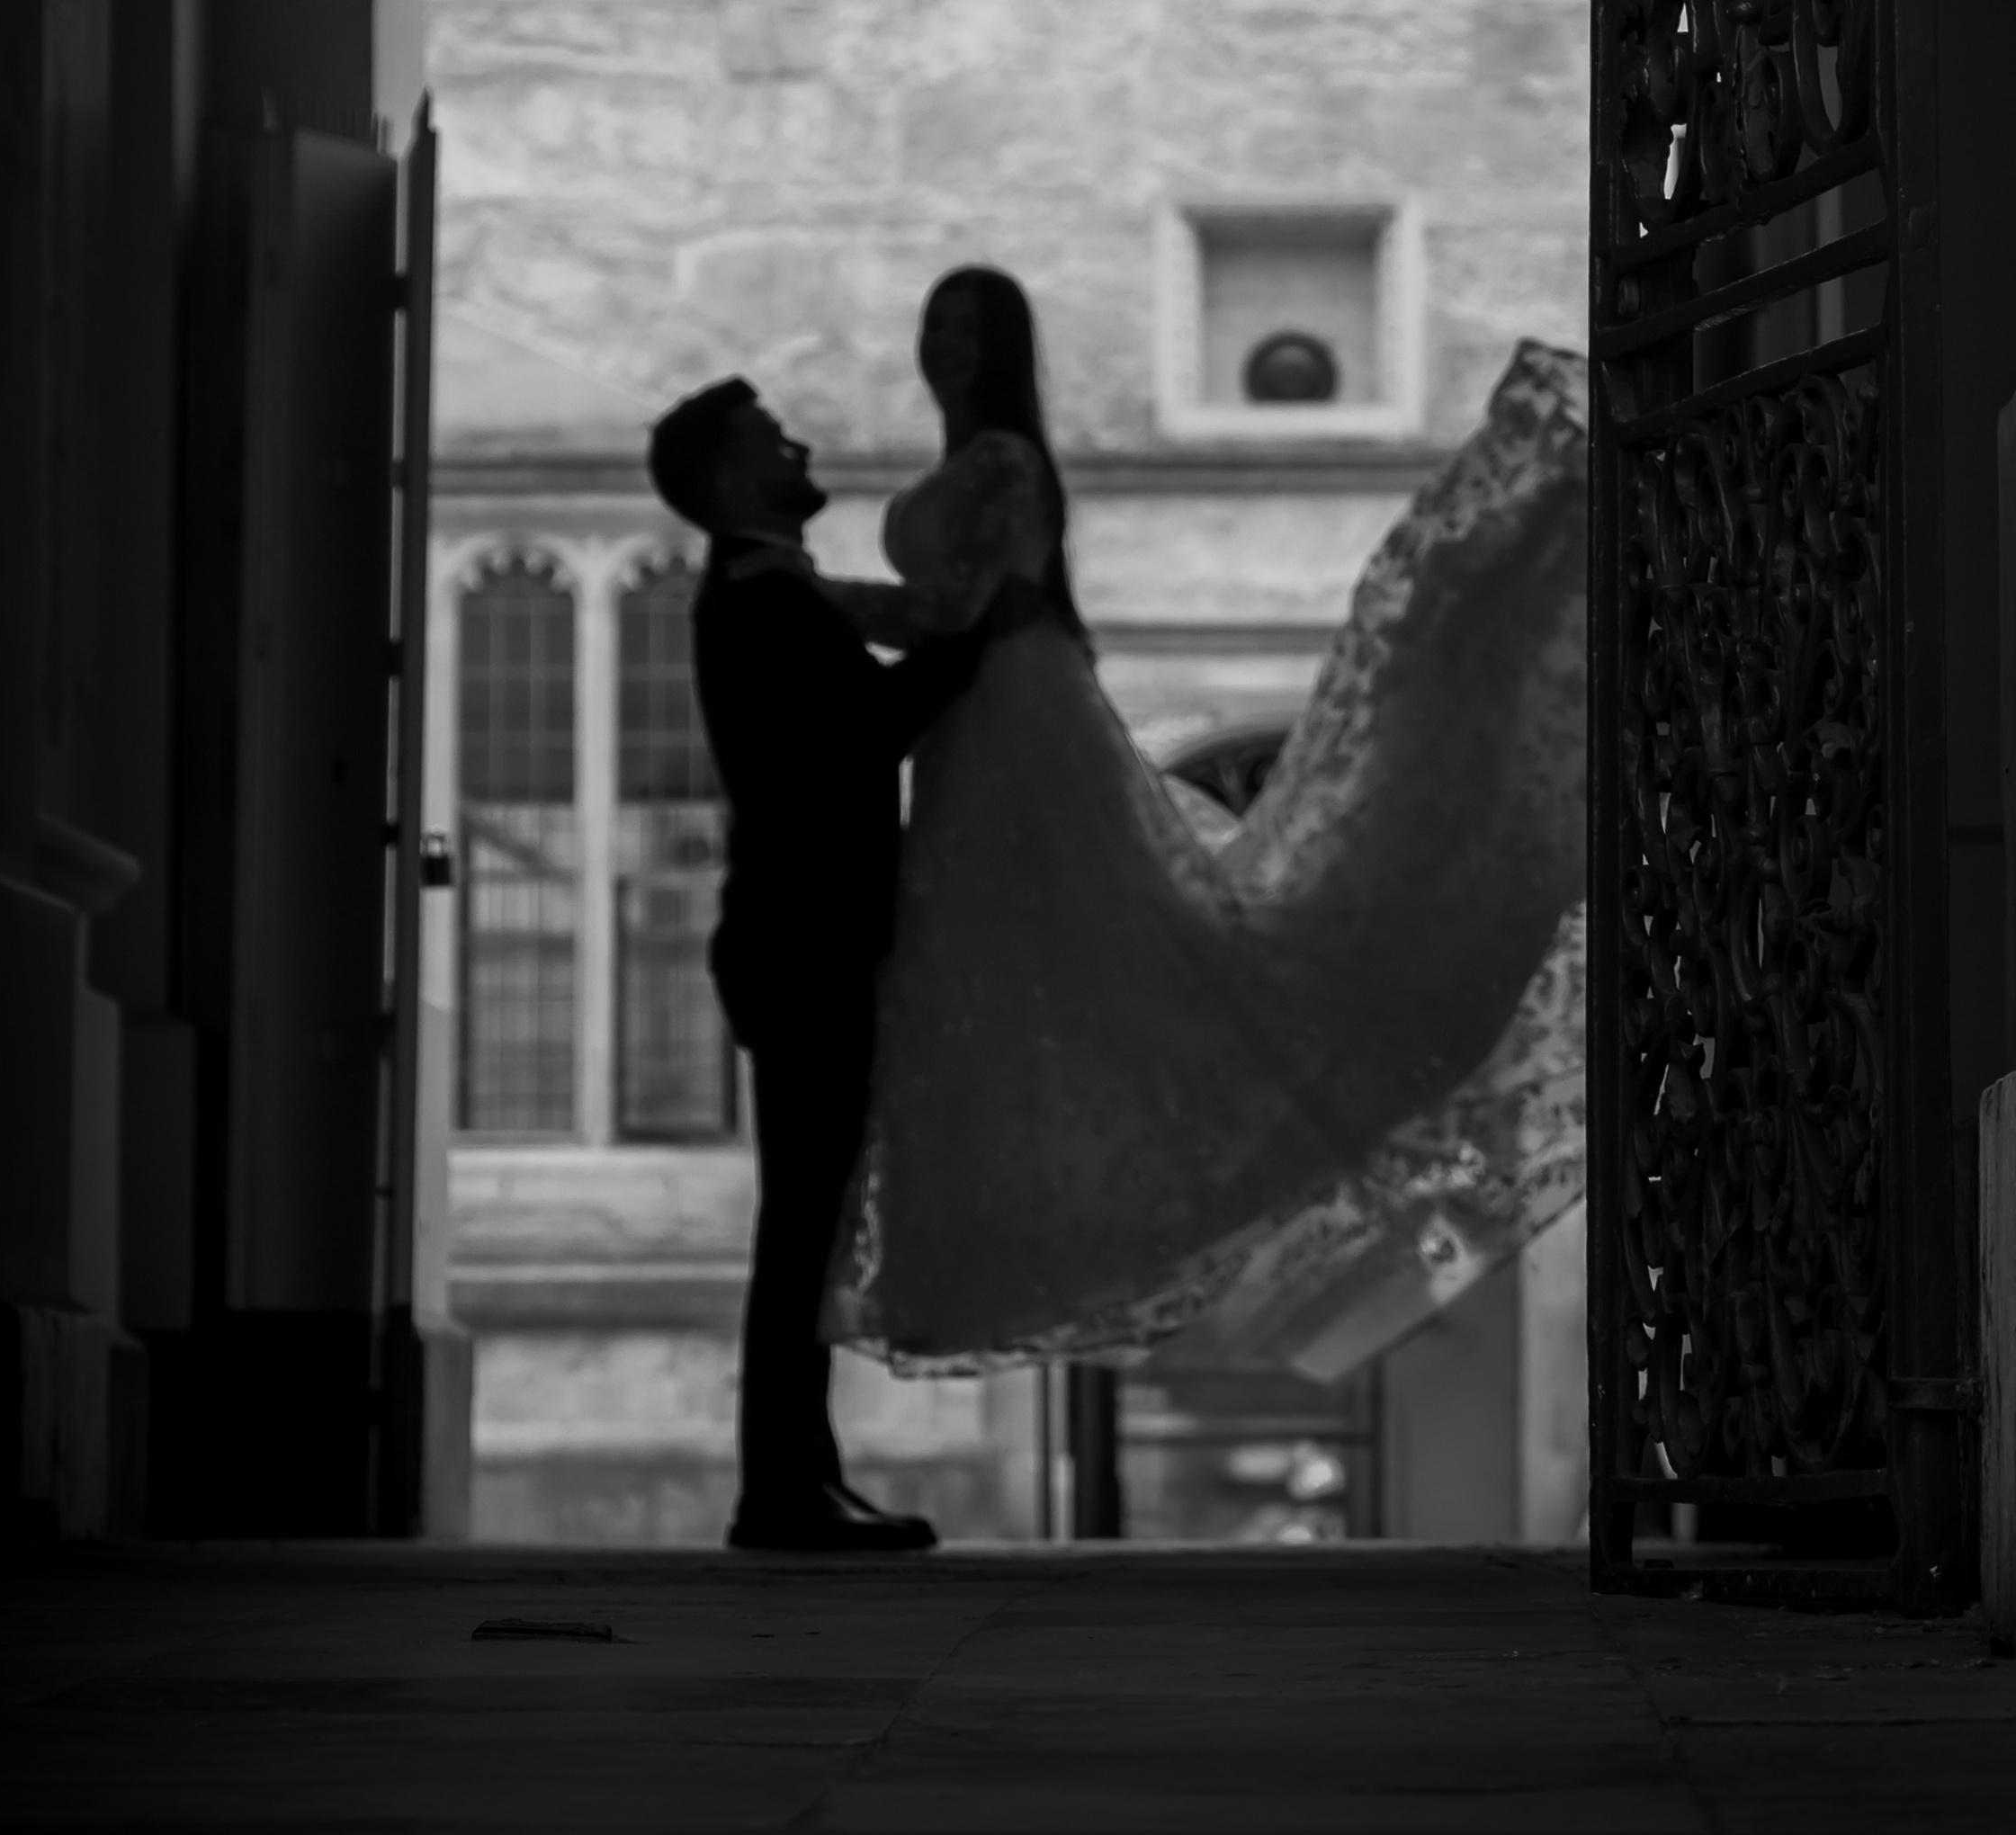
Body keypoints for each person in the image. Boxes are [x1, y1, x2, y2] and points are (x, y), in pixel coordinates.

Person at [772, 271, 1589, 1373]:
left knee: (1118, 973)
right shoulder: (981, 464)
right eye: (935, 327)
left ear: (1000, 347)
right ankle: (983, 1233)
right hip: (984, 723)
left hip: (1016, 719)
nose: (943, 347)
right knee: (988, 985)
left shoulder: (1006, 465)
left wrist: (803, 594)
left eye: (965, 330)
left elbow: (956, 613)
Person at [644, 374, 987, 1551]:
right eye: (771, 438)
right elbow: (867, 735)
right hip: (802, 946)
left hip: (804, 940)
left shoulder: (777, 592)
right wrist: (984, 636)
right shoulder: (759, 599)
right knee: (799, 1225)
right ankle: (779, 1491)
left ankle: (802, 1478)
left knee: (809, 1222)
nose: (799, 443)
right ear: (736, 478)